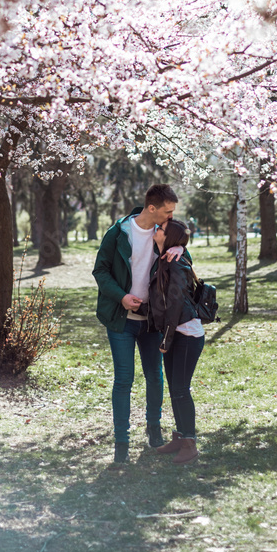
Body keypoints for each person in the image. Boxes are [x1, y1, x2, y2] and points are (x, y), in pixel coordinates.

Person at [92, 183, 181, 464]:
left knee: (155, 376)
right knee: (124, 380)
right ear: (151, 208)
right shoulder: (119, 232)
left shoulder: (166, 233)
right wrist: (121, 297)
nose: (171, 217)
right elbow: (101, 270)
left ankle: (154, 429)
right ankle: (121, 442)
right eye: (167, 212)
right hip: (122, 320)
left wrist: (179, 245)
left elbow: (182, 263)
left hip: (153, 319)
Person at [148, 219, 205, 465]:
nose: (155, 230)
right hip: (175, 333)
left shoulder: (177, 265)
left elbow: (174, 307)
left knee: (181, 389)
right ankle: (180, 437)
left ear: (168, 238)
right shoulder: (165, 259)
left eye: (160, 229)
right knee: (175, 389)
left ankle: (190, 444)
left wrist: (165, 340)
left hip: (186, 334)